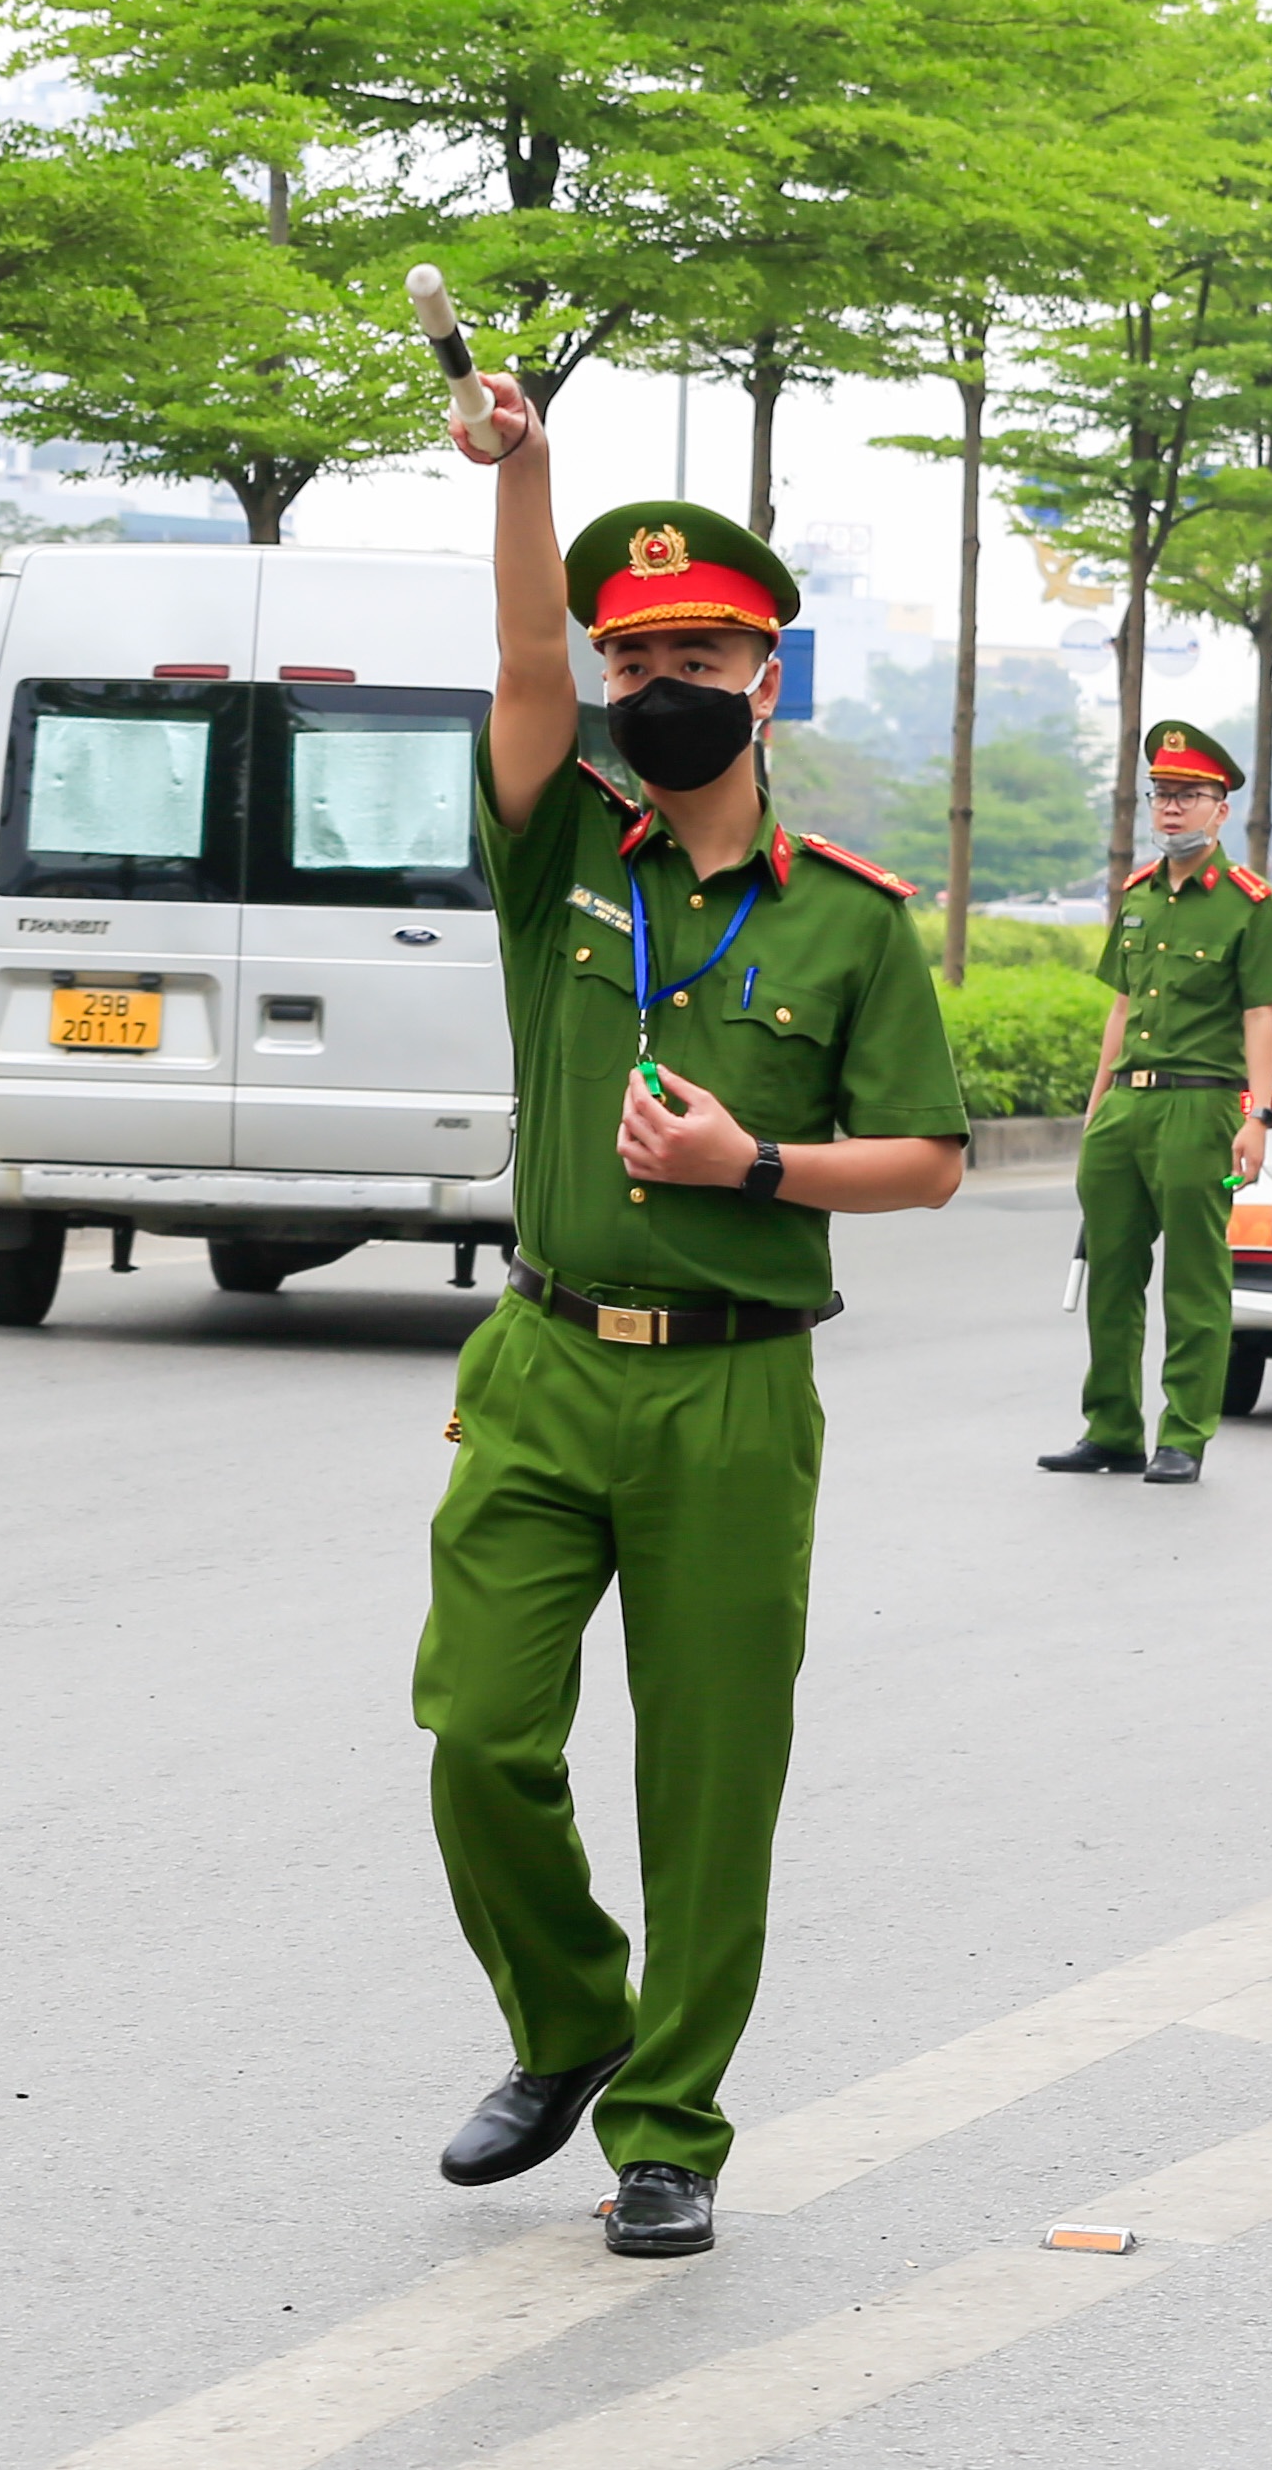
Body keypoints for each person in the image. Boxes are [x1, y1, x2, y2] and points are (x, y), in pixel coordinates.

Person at [415, 376, 970, 2263]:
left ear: (767, 674)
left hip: (738, 1392)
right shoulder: (562, 857)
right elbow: (516, 668)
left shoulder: (853, 924)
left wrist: (754, 1167)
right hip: (547, 1361)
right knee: (481, 1737)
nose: (660, 677)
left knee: (710, 1778)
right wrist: (528, 475)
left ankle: (669, 2128)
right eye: (635, 649)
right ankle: (570, 2016)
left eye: (700, 649)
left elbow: (927, 1162)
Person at [1041, 721, 1272, 1483]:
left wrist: (1259, 1116)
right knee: (1112, 1273)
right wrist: (1096, 1108)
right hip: (1128, 1108)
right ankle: (1111, 1427)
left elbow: (1259, 1016)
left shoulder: (1249, 904)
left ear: (1221, 809)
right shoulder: (1139, 893)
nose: (1173, 808)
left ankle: (1184, 1433)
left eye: (1190, 795)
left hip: (1202, 1108)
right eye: (1163, 794)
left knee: (1194, 1278)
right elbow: (1120, 1009)